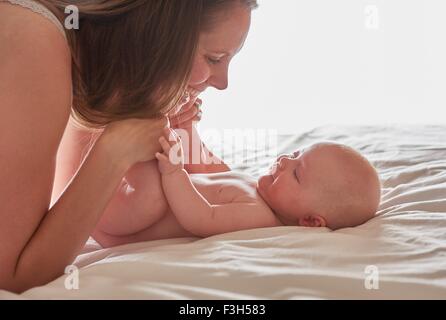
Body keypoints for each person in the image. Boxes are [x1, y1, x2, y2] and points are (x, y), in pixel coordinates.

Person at [0, 0, 257, 293]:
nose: (223, 83)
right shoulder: (36, 41)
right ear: (160, 35)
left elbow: (54, 201)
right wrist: (115, 152)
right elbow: (12, 278)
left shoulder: (62, 45)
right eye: (214, 58)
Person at [93, 128, 382, 248]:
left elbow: (200, 217)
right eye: (295, 155)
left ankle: (107, 143)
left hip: (132, 220)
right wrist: (184, 126)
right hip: (128, 205)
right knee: (154, 139)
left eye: (296, 172)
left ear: (309, 221)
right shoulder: (259, 190)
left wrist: (173, 172)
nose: (283, 160)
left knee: (149, 165)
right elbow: (209, 172)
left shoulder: (259, 217)